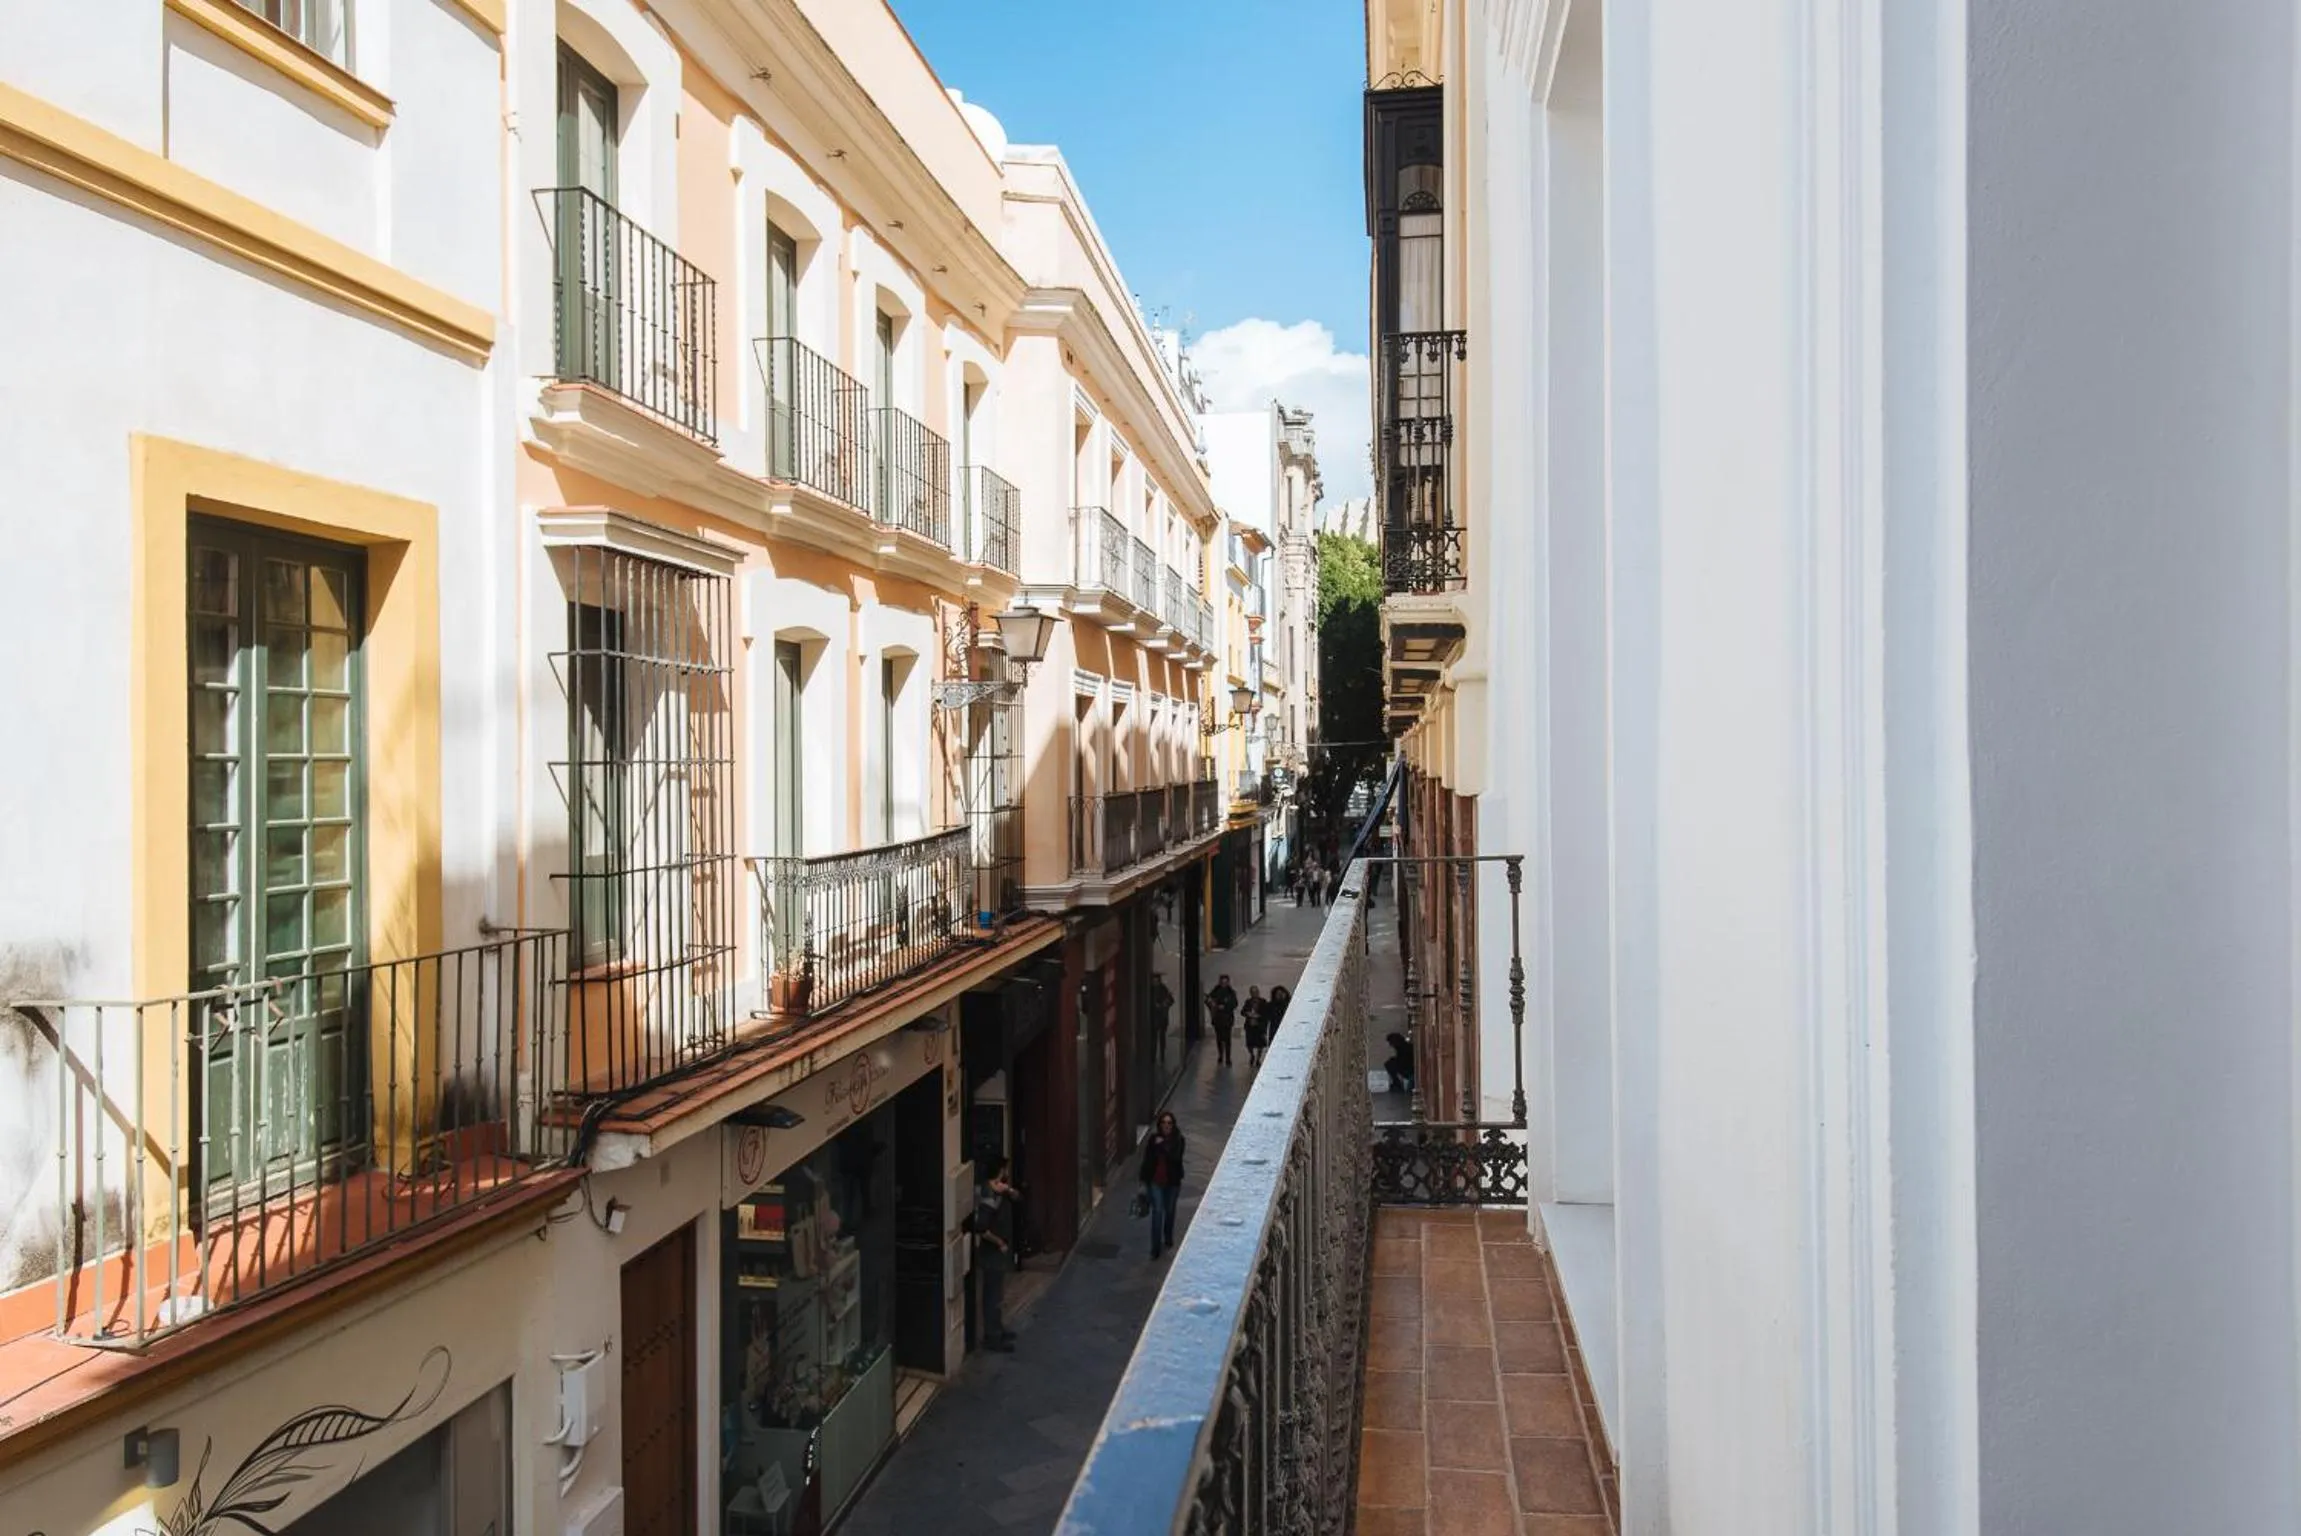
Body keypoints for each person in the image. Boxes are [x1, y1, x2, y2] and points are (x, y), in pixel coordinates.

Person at [966, 1159, 1020, 1351]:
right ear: (999, 1171)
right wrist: (1000, 1243)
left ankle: (997, 1329)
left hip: (996, 1253)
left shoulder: (996, 1191)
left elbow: (1017, 1197)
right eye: (1004, 1169)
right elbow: (982, 1228)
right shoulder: (989, 1197)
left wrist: (1008, 1190)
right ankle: (992, 1336)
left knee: (996, 1294)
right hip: (993, 1253)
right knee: (993, 1295)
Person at [1139, 1110, 1186, 1260]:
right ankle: (1155, 1248)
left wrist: (1163, 1145)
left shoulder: (1179, 1140)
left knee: (1170, 1211)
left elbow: (1175, 1158)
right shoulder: (1153, 1140)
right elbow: (1147, 1161)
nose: (1166, 1125)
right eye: (1164, 1123)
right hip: (1155, 1182)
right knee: (1157, 1212)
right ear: (1160, 1124)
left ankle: (1168, 1236)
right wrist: (1143, 1181)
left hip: (1172, 1183)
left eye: (1169, 1123)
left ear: (1173, 1125)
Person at [1205, 974, 1239, 1065]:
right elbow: (1208, 1001)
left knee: (1227, 1039)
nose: (1224, 984)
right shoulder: (1215, 991)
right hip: (1217, 1018)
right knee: (1219, 1038)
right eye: (1222, 982)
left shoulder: (1231, 992)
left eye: (1225, 982)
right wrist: (1212, 1004)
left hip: (1227, 1018)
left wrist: (1225, 1007)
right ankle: (1220, 1055)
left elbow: (1235, 1004)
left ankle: (1228, 1057)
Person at [1241, 985, 1269, 1069]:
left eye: (1256, 992)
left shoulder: (1263, 1001)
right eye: (1253, 992)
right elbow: (1242, 1011)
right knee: (1250, 1043)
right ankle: (1252, 1055)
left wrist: (1258, 1016)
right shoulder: (1248, 1002)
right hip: (1250, 1026)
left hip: (1259, 1026)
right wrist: (1248, 1013)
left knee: (1260, 1044)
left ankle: (1258, 1059)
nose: (1255, 994)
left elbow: (1266, 1013)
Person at [1150, 973, 1175, 1062]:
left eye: (1156, 981)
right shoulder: (1150, 989)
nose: (1155, 982)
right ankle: (1153, 1056)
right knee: (1153, 1038)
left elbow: (1171, 1000)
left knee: (1162, 1037)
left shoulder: (1163, 989)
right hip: (1153, 1017)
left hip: (1162, 1017)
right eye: (1154, 981)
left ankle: (1162, 1055)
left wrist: (1164, 1005)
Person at [1383, 1032, 1415, 1096]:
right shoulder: (1404, 1046)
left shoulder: (1402, 1048)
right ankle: (1397, 1084)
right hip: (1408, 1067)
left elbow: (1403, 1061)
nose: (1390, 1045)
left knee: (1389, 1064)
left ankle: (1397, 1084)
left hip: (1409, 1069)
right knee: (1390, 1063)